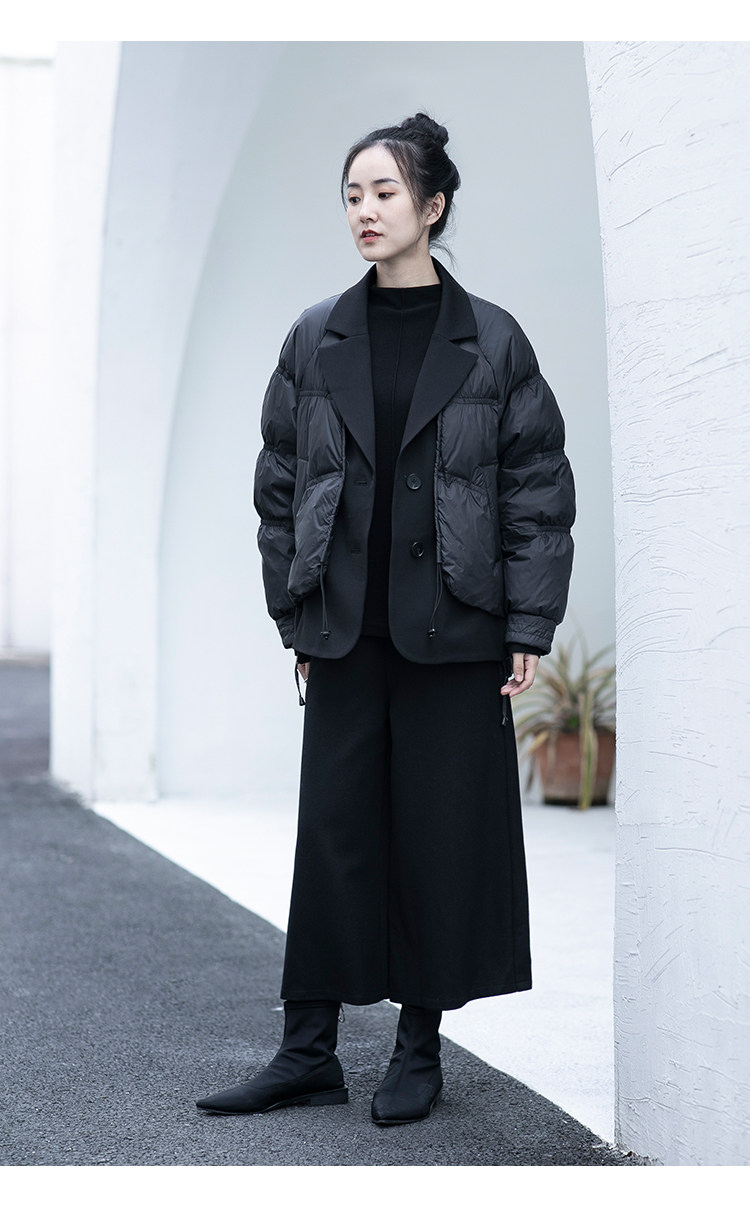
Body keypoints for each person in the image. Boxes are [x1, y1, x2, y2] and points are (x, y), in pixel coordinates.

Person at [197, 113, 575, 1125]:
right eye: (353, 195)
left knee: (438, 839)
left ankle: (418, 1048)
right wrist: (296, 613)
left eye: (385, 193)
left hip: (454, 629)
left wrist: (527, 624)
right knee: (333, 835)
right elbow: (280, 483)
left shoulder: (492, 339)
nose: (365, 211)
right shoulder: (316, 335)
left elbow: (536, 487)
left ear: (434, 206)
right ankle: (306, 1049)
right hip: (345, 629)